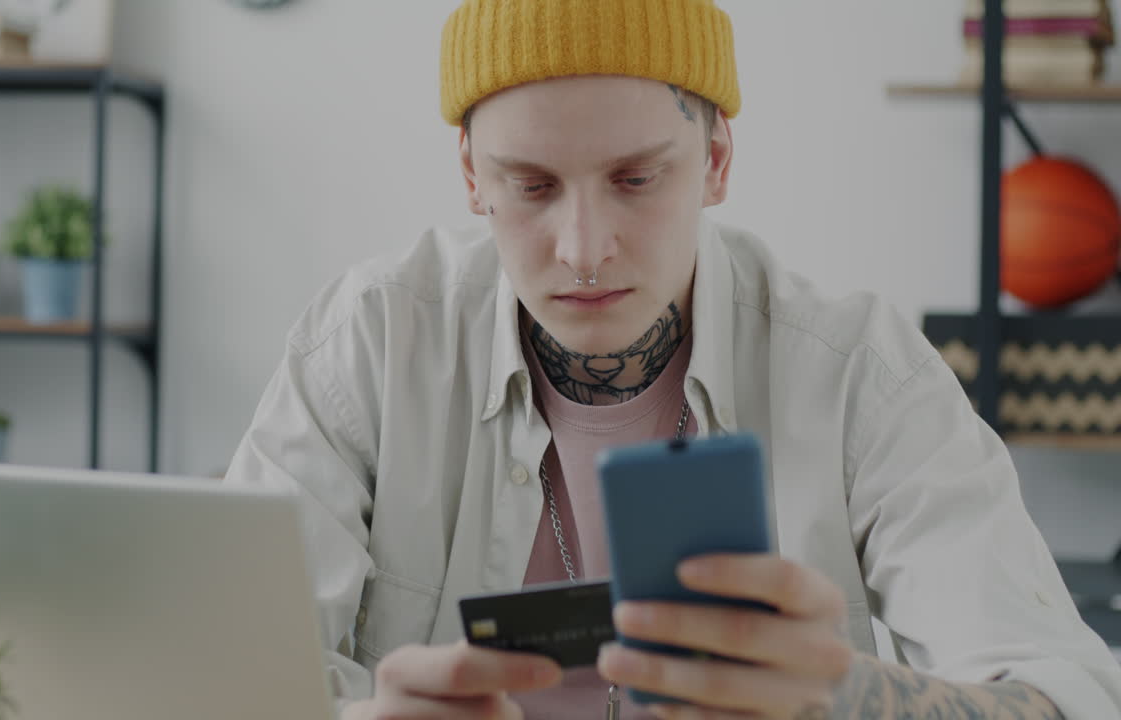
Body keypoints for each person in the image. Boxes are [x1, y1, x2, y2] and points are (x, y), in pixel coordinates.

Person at [224, 1, 1121, 717]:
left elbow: (1071, 695)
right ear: (470, 175)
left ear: (717, 158)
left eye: (636, 179)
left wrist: (844, 700)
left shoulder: (859, 374)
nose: (583, 249)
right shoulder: (368, 346)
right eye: (529, 186)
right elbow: (202, 681)